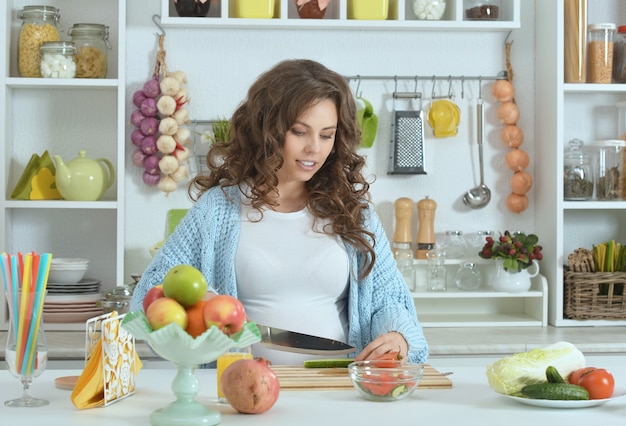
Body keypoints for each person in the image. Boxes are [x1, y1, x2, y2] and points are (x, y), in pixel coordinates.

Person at [130, 59, 429, 365]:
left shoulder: (353, 212)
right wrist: (199, 303)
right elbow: (148, 297)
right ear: (267, 130)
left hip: (337, 389)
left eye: (326, 135)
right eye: (300, 132)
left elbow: (388, 301)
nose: (315, 148)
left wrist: (397, 336)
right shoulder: (219, 210)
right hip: (243, 392)